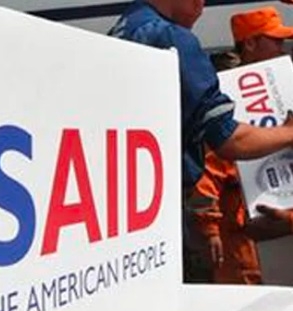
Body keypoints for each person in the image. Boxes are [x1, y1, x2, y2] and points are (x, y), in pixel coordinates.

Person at [109, 0, 293, 281]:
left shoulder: (126, 28)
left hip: (137, 206)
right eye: (275, 41)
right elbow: (225, 145)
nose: (202, 4)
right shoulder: (172, 40)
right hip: (229, 227)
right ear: (251, 44)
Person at [189, 7, 293, 284]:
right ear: (250, 43)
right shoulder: (224, 101)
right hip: (242, 238)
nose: (282, 48)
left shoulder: (285, 91)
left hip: (279, 227)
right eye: (276, 41)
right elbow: (208, 171)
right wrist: (210, 229)